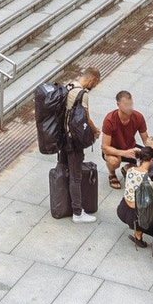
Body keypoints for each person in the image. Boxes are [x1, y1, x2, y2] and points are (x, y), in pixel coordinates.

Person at [59, 66, 101, 224]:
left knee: (66, 170)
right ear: (92, 79)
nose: (93, 86)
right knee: (76, 176)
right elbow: (86, 118)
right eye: (94, 84)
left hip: (63, 136)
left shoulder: (69, 86)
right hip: (74, 140)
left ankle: (65, 203)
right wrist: (95, 131)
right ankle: (78, 212)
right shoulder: (82, 94)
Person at [100, 90, 152, 189]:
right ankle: (112, 174)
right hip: (114, 150)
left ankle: (128, 168)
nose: (130, 107)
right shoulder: (110, 120)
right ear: (118, 104)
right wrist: (124, 153)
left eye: (131, 104)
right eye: (126, 104)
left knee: (150, 158)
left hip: (131, 147)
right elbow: (105, 147)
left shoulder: (138, 117)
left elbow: (146, 140)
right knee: (114, 161)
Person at [117, 145, 153, 248]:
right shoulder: (151, 178)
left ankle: (138, 231)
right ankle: (138, 233)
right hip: (137, 216)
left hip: (123, 210)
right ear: (151, 160)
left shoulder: (130, 170)